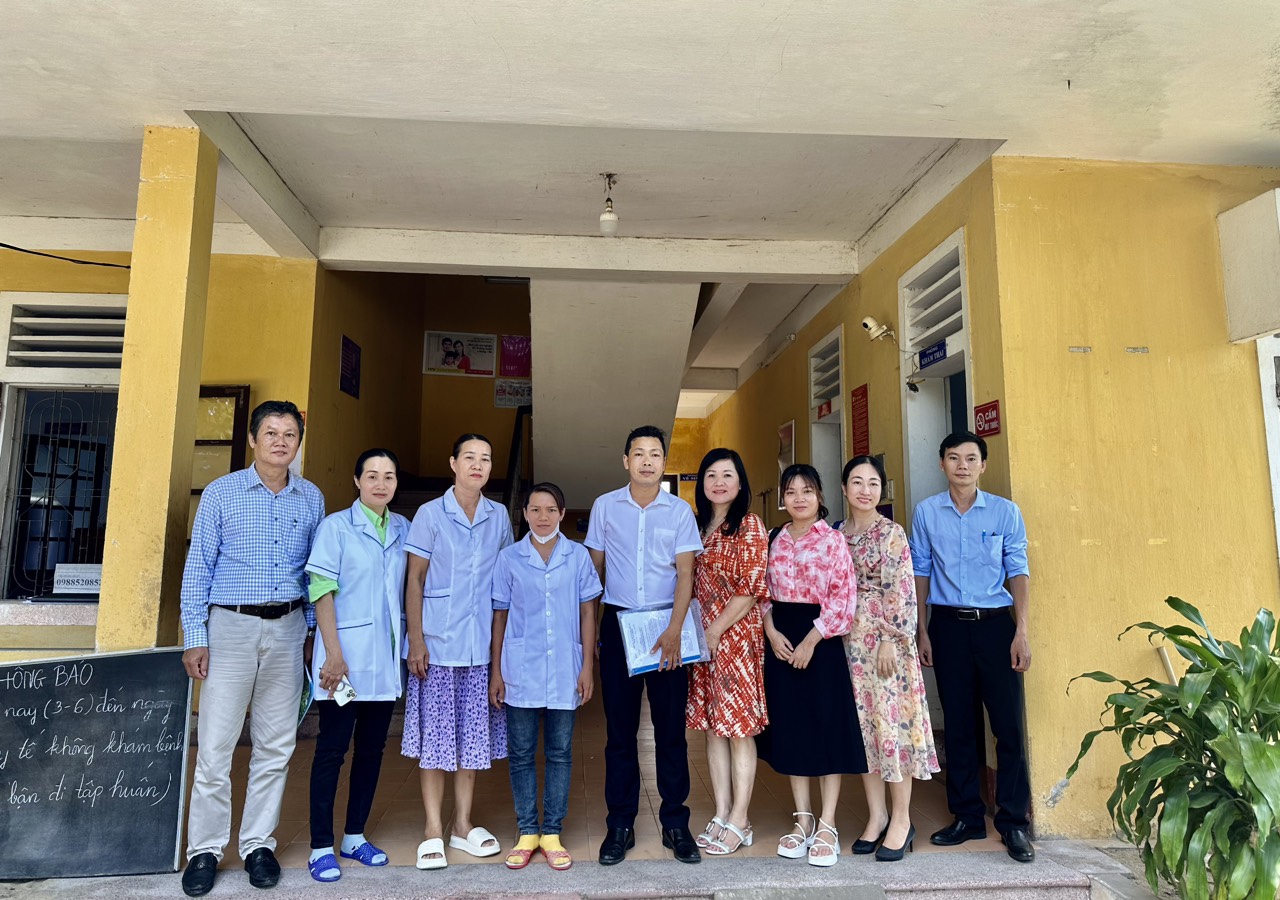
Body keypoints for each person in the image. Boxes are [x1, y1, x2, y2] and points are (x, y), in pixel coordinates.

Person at [179, 400, 326, 897]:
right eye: (271, 432)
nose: (281, 441)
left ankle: (258, 844)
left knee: (276, 745)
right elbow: (198, 567)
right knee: (215, 745)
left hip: (288, 628)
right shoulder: (222, 493)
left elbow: (315, 573)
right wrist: (195, 638)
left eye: (290, 434)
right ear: (252, 439)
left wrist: (310, 633)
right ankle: (204, 850)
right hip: (230, 628)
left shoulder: (311, 497)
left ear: (298, 442)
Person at [911, 431, 1034, 863]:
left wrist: (1021, 631)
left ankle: (1013, 823)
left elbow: (1017, 569)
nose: (961, 465)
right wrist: (922, 630)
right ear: (941, 464)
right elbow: (921, 570)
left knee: (1008, 727)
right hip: (947, 626)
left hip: (996, 627)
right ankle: (967, 816)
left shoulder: (1005, 512)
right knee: (959, 725)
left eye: (970, 458)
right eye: (953, 458)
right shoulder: (927, 512)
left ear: (983, 465)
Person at [586, 425, 704, 865]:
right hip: (620, 626)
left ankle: (676, 823)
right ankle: (620, 824)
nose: (648, 461)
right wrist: (592, 635)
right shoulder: (605, 506)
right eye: (639, 453)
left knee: (671, 732)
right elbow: (593, 574)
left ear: (663, 462)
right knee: (619, 734)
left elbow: (686, 573)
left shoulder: (680, 511)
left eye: (655, 453)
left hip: (667, 626)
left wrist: (674, 629)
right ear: (626, 460)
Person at [402, 433, 513, 870]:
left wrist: (501, 655)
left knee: (472, 739)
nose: (477, 465)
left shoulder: (498, 516)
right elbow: (415, 579)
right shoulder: (431, 514)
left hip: (480, 645)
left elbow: (504, 584)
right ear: (453, 463)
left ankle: (462, 825)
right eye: (470, 457)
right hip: (437, 644)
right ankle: (433, 827)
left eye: (485, 458)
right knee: (434, 740)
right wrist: (416, 639)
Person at [303, 449, 410, 882]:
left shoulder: (402, 528)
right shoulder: (336, 527)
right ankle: (320, 846)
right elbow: (321, 589)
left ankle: (354, 836)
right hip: (342, 660)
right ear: (357, 480)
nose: (380, 484)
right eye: (372, 476)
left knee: (371, 750)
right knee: (332, 750)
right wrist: (332, 653)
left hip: (383, 661)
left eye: (389, 476)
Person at [489, 482, 602, 872]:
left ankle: (551, 832)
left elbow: (588, 612)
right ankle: (527, 831)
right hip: (520, 667)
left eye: (551, 510)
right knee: (521, 753)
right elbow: (500, 616)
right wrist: (496, 670)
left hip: (566, 667)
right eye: (535, 509)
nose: (542, 517)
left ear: (562, 513)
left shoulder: (578, 557)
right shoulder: (509, 558)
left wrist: (587, 666)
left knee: (560, 752)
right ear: (524, 514)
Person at [756, 464, 864, 868]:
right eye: (791, 491)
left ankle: (828, 824)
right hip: (781, 642)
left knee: (825, 729)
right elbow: (762, 593)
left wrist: (811, 640)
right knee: (793, 731)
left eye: (807, 490)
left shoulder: (833, 540)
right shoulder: (774, 539)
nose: (799, 498)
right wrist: (770, 632)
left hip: (821, 642)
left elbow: (843, 598)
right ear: (782, 498)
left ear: (820, 496)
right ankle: (802, 820)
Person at [837, 455, 939, 863]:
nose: (865, 490)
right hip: (848, 646)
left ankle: (901, 819)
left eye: (873, 483)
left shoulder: (891, 533)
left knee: (892, 726)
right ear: (844, 488)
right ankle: (876, 815)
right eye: (857, 482)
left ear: (882, 489)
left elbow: (901, 590)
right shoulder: (836, 534)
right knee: (865, 731)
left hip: (884, 648)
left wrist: (889, 639)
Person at [685, 448, 769, 856]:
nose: (719, 482)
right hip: (703, 642)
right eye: (711, 475)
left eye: (727, 475)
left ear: (740, 483)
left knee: (738, 730)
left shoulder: (749, 525)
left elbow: (751, 588)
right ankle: (720, 812)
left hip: (734, 639)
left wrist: (715, 631)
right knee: (713, 727)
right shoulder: (696, 526)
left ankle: (741, 818)